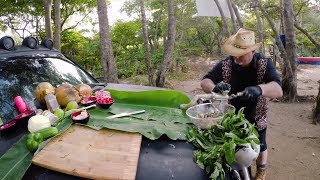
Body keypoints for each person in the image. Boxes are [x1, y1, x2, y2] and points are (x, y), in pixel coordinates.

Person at [201, 28, 283, 180]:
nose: (236, 59)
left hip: (257, 114)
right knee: (234, 146)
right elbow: (205, 81)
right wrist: (214, 88)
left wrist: (260, 89)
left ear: (251, 51)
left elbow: (278, 90)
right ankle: (239, 171)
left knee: (260, 145)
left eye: (240, 55)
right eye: (234, 55)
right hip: (231, 116)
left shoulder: (264, 63)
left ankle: (261, 171)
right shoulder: (226, 64)